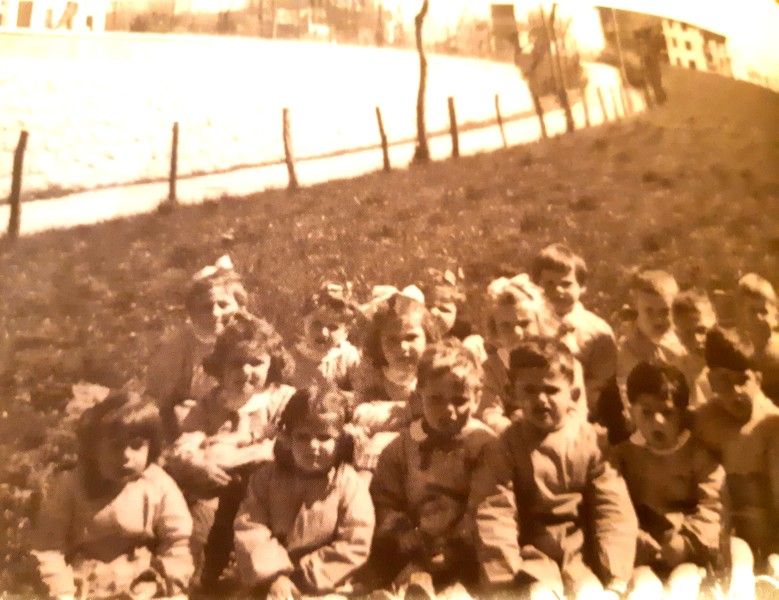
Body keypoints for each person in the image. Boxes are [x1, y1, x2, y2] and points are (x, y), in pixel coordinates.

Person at [487, 337, 638, 599]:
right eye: (530, 390)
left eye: (552, 390)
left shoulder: (590, 441)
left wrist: (614, 573)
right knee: (539, 594)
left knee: (593, 593)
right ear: (512, 392)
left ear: (574, 395)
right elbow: (496, 511)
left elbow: (612, 506)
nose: (541, 400)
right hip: (530, 556)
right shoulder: (507, 446)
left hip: (581, 555)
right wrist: (504, 577)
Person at [369, 339, 515, 598]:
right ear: (419, 394)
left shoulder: (482, 445)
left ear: (477, 397)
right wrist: (401, 531)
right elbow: (384, 498)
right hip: (418, 547)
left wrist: (456, 542)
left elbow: (488, 507)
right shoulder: (404, 446)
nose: (447, 411)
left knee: (460, 591)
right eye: (435, 399)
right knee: (409, 581)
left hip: (465, 550)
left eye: (459, 400)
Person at [165, 311, 296, 591]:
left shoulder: (282, 399)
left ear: (271, 365)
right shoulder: (211, 403)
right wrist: (197, 463)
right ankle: (192, 580)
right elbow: (185, 444)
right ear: (221, 366)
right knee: (200, 523)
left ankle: (257, 581)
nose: (246, 372)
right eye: (236, 363)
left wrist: (231, 455)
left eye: (256, 363)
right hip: (215, 485)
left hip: (264, 489)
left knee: (256, 528)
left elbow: (284, 445)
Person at [29, 391, 193, 599]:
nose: (125, 456)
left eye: (136, 445)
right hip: (85, 582)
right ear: (93, 449)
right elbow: (48, 548)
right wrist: (63, 592)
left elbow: (176, 542)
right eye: (115, 446)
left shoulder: (158, 483)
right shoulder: (71, 485)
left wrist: (173, 586)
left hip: (142, 581)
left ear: (151, 448)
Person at [233, 384, 374, 597]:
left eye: (324, 437)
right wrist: (276, 576)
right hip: (269, 578)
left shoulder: (349, 484)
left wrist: (301, 577)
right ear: (288, 438)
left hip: (327, 582)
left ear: (340, 441)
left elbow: (354, 541)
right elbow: (251, 527)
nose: (313, 446)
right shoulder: (266, 478)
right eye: (303, 437)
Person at [611, 362, 724, 599]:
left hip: (685, 549)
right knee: (643, 587)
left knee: (682, 585)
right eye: (647, 412)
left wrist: (689, 541)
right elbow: (614, 506)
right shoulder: (622, 456)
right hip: (640, 549)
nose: (658, 421)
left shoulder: (697, 455)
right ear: (631, 410)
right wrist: (636, 539)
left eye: (668, 412)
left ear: (682, 413)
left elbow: (714, 504)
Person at [692, 328, 779, 595]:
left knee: (775, 562)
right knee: (740, 560)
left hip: (771, 528)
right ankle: (740, 586)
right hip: (731, 532)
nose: (736, 391)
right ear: (711, 382)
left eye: (743, 380)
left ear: (758, 378)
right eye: (724, 382)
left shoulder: (770, 424)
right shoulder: (705, 420)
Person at [146, 255, 248, 443]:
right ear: (192, 313)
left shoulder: (253, 339)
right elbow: (161, 402)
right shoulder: (179, 347)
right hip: (194, 427)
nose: (216, 314)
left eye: (223, 305)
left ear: (240, 306)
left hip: (247, 422)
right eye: (206, 307)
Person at [477, 274, 586, 434]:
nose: (517, 333)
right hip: (514, 440)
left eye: (524, 323)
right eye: (506, 326)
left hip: (560, 437)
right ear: (495, 332)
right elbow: (489, 412)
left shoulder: (564, 361)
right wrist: (520, 435)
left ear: (540, 322)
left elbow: (576, 412)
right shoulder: (493, 367)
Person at [349, 286, 440, 473]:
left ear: (428, 337)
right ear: (378, 344)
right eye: (392, 340)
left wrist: (386, 427)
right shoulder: (375, 374)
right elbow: (360, 414)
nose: (402, 348)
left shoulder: (434, 373)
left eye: (412, 337)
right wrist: (408, 410)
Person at [531, 243, 617, 415]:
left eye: (566, 284)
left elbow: (602, 381)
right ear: (538, 284)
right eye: (549, 283)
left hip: (583, 409)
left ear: (582, 286)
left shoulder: (597, 330)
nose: (558, 290)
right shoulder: (531, 322)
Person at [291, 281, 361, 392]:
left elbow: (361, 392)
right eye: (316, 325)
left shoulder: (347, 357)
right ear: (302, 324)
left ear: (346, 331)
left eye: (333, 327)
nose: (323, 333)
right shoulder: (294, 356)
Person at [734, 273, 779, 403]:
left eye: (764, 311)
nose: (759, 318)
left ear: (776, 315)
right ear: (741, 315)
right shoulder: (740, 354)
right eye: (753, 311)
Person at [672, 289, 717, 407]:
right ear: (678, 335)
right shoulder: (675, 375)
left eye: (702, 330)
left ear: (714, 325)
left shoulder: (732, 368)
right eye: (688, 334)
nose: (697, 340)